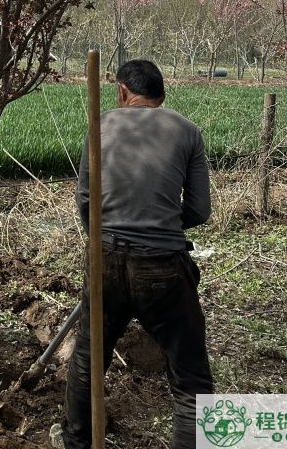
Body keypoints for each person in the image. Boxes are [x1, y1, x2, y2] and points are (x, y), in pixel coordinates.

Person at [51, 58, 213, 449]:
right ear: (162, 95)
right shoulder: (186, 131)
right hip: (163, 267)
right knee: (191, 381)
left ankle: (76, 441)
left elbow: (85, 201)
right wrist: (161, 225)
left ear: (123, 91)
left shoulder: (101, 125)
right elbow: (199, 210)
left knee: (89, 361)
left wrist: (106, 235)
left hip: (104, 258)